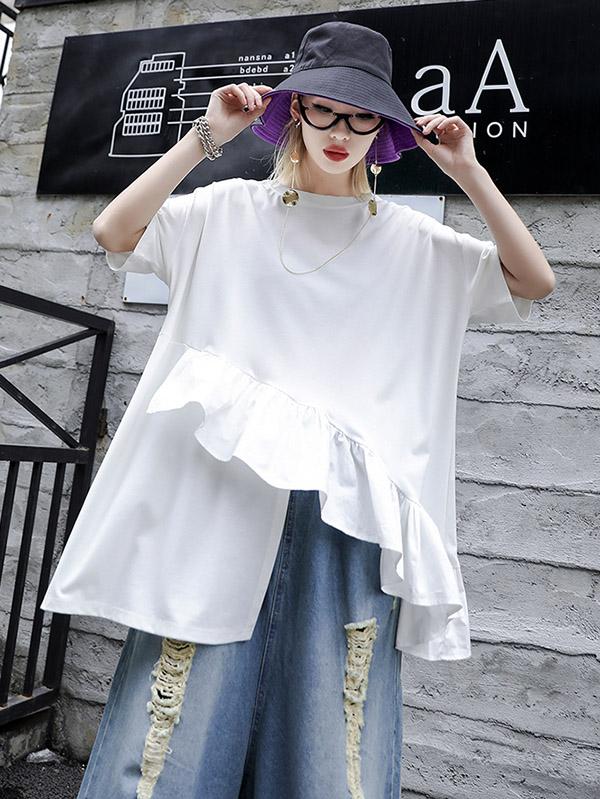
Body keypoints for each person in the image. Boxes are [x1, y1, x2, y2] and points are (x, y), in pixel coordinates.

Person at [41, 21, 555, 799]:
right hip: (222, 491)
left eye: (361, 116)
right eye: (324, 109)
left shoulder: (412, 242)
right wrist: (206, 137)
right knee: (179, 718)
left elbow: (532, 280)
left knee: (330, 741)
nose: (341, 131)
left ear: (382, 131)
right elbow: (115, 230)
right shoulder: (228, 211)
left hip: (345, 514)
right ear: (294, 113)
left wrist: (470, 171)